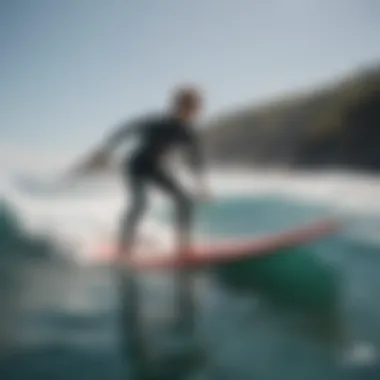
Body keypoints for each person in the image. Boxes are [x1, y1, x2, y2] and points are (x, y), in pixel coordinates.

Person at [68, 85, 210, 260]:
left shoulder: (187, 132)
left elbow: (195, 160)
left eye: (197, 107)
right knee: (140, 204)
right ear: (180, 105)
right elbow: (126, 129)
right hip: (136, 166)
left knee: (185, 201)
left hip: (155, 168)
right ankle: (124, 248)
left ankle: (183, 247)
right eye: (193, 106)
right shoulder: (158, 123)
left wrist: (202, 185)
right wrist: (106, 150)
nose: (196, 111)